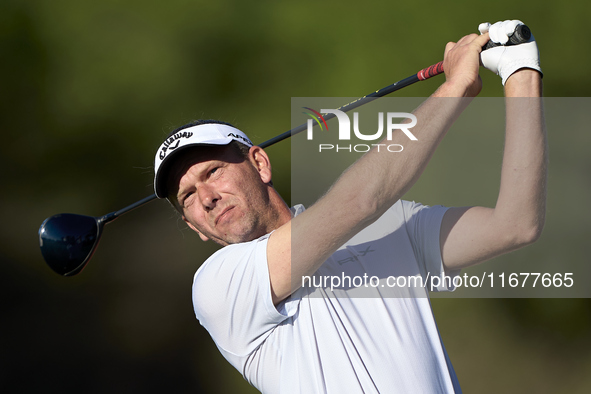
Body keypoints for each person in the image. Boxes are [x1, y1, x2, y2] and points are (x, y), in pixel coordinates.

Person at [152, 20, 546, 393]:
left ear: (259, 163)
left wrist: (521, 72)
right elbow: (361, 200)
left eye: (214, 171)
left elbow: (516, 224)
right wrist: (456, 86)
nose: (206, 197)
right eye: (187, 196)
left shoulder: (393, 225)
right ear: (194, 226)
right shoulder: (217, 285)